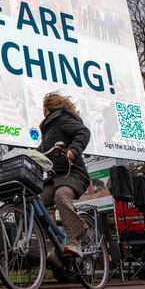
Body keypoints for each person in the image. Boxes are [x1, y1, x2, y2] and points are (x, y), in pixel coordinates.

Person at [37, 92, 91, 257]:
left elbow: (83, 132)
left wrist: (73, 150)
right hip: (55, 178)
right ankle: (54, 244)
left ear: (47, 108)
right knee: (34, 202)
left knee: (61, 196)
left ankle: (76, 239)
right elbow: (42, 151)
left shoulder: (61, 120)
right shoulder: (47, 129)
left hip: (73, 174)